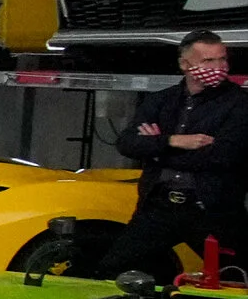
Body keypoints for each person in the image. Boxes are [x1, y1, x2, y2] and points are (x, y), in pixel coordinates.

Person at [99, 30, 248, 280]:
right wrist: (174, 141)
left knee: (236, 276)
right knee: (113, 269)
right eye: (208, 61)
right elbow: (127, 143)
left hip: (210, 211)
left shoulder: (240, 104)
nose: (219, 67)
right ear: (185, 64)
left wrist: (155, 151)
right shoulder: (161, 100)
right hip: (159, 206)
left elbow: (223, 156)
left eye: (222, 59)